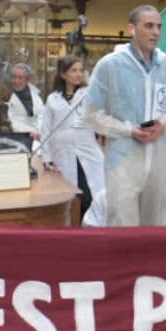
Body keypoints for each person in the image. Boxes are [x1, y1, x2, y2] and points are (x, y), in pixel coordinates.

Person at [86, 5, 166, 227]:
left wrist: (164, 124)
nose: (156, 32)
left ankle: (152, 263)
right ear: (132, 29)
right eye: (148, 26)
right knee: (122, 221)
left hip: (161, 158)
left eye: (159, 27)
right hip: (124, 159)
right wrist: (127, 130)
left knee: (157, 221)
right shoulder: (110, 65)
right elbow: (92, 114)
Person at [39, 55, 106, 227]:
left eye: (80, 71)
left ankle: (90, 229)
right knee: (70, 196)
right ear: (63, 74)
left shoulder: (89, 95)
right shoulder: (53, 99)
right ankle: (74, 229)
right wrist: (46, 158)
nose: (78, 74)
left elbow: (100, 120)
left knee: (91, 194)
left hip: (87, 150)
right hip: (61, 153)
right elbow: (46, 129)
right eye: (73, 70)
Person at [5, 63, 41, 140]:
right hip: (19, 138)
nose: (16, 81)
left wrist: (39, 132)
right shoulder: (7, 98)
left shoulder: (36, 96)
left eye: (20, 78)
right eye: (14, 77)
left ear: (27, 80)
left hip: (38, 136)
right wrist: (29, 132)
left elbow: (42, 115)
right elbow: (11, 121)